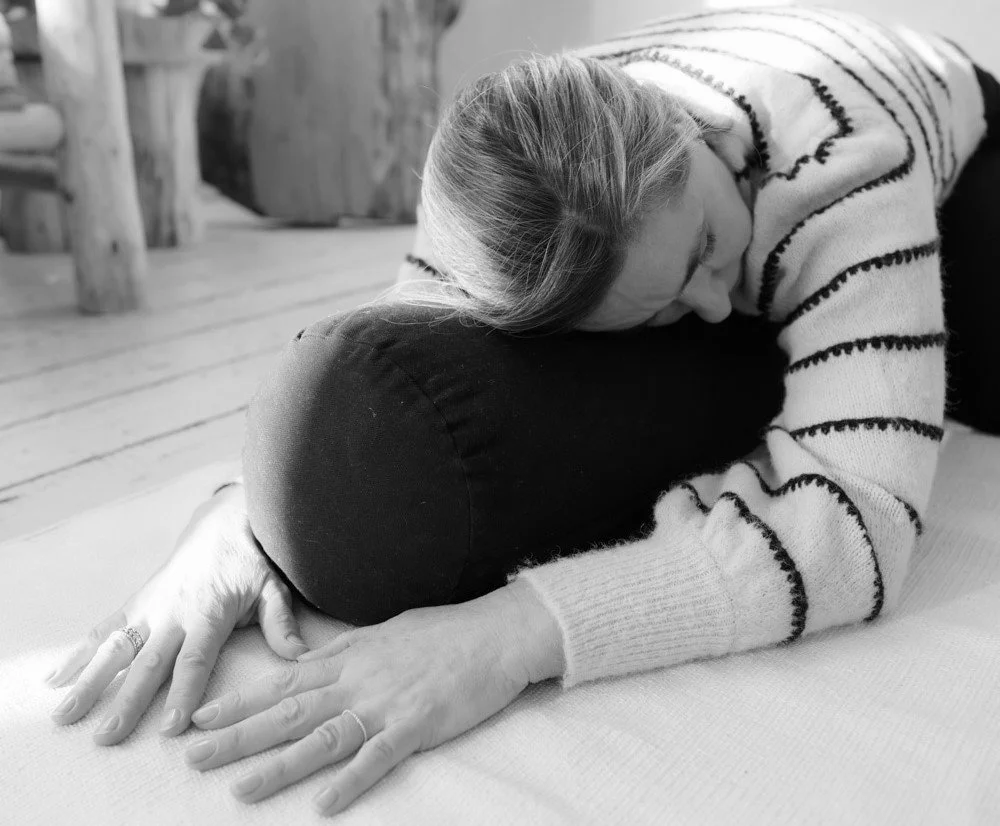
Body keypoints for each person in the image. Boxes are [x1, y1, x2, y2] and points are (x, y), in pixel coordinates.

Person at [44, 6, 1000, 817]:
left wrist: (516, 634)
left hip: (947, 141)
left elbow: (859, 528)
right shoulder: (508, 178)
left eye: (708, 245)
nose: (716, 306)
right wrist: (240, 508)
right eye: (664, 308)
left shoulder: (848, 163)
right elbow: (407, 311)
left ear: (688, 135)